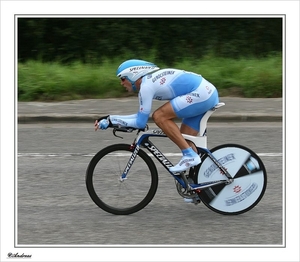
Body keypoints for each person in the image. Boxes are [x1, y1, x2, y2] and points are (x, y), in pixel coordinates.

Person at [95, 59, 219, 174]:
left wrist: (110, 120)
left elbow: (140, 122)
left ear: (132, 76)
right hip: (206, 93)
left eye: (122, 79)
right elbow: (139, 118)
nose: (121, 83)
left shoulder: (146, 86)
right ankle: (198, 189)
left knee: (159, 116)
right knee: (185, 140)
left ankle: (189, 156)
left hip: (201, 94)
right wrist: (110, 119)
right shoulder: (148, 83)